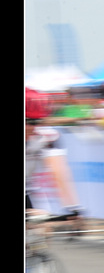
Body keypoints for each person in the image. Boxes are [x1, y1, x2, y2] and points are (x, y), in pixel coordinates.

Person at [25, 87, 81, 217]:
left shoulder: (47, 136)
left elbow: (59, 172)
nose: (33, 127)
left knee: (39, 225)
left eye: (37, 121)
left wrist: (72, 207)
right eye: (28, 121)